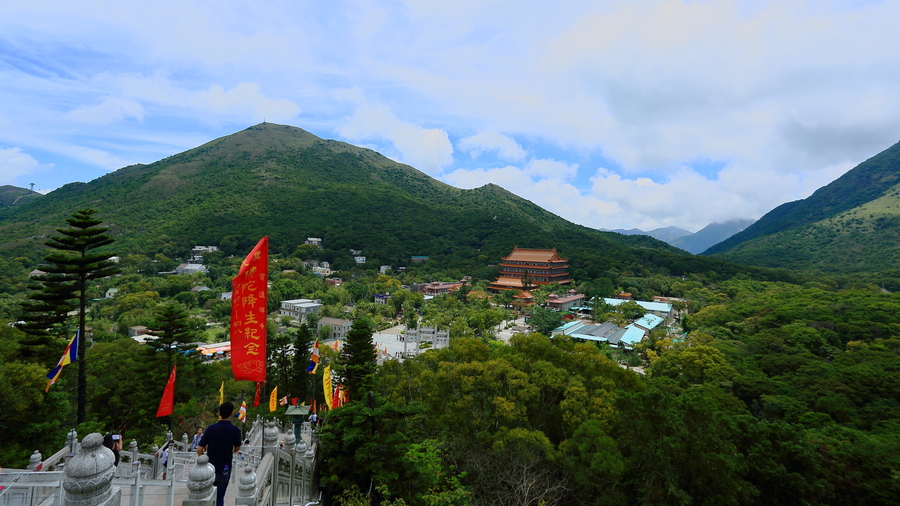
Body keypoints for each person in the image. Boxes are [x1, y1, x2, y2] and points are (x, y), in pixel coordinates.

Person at [197, 402, 242, 506]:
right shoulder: (234, 430)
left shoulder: (210, 429)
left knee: (207, 495)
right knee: (220, 496)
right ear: (231, 414)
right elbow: (238, 447)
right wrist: (229, 451)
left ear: (219, 413)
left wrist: (204, 461)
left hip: (210, 468)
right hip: (225, 468)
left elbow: (199, 450)